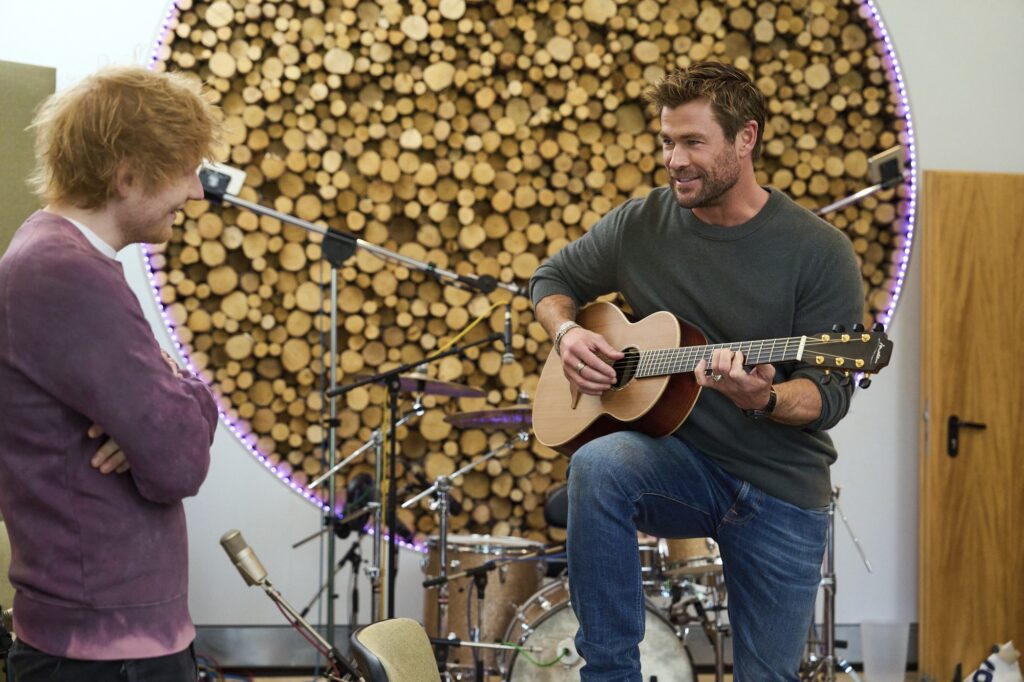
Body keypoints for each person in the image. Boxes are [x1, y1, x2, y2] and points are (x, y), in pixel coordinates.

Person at [530, 61, 864, 680]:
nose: (674, 159)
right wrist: (569, 332)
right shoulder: (640, 225)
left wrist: (762, 398)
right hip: (680, 468)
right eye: (666, 141)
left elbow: (830, 395)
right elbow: (552, 281)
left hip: (779, 484)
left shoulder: (818, 251)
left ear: (746, 139)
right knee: (597, 465)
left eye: (692, 142)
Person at [0, 66, 221, 681]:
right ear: (126, 176)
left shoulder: (68, 261)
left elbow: (171, 424)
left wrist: (179, 400)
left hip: (113, 641)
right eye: (183, 169)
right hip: (103, 654)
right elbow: (179, 458)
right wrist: (184, 402)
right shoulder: (61, 272)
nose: (196, 193)